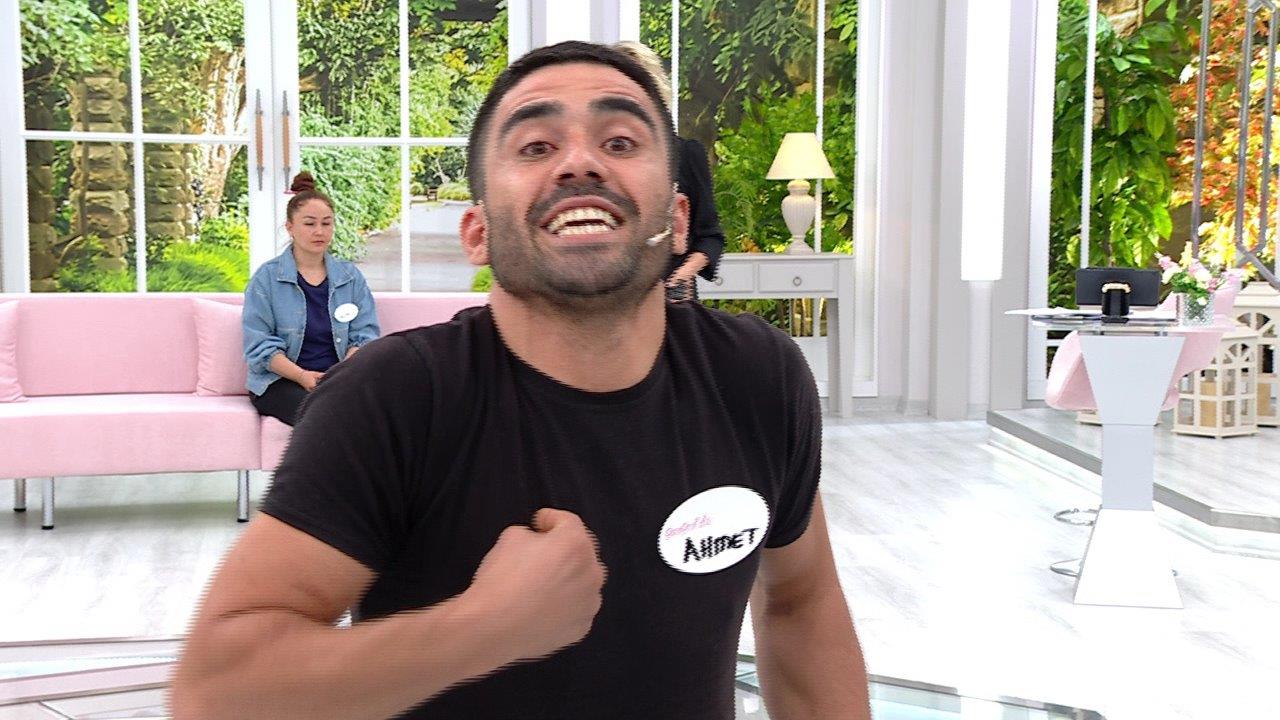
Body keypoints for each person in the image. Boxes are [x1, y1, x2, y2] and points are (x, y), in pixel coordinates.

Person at [174, 42, 869, 720]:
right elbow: (214, 695)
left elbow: (799, 603)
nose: (579, 162)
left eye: (620, 141)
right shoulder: (394, 399)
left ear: (678, 219)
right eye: (536, 146)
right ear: (476, 233)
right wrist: (483, 629)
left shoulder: (758, 376)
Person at [241, 171, 379, 426]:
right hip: (281, 382)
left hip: (340, 379)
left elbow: (365, 336)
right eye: (309, 223)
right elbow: (259, 347)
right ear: (290, 227)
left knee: (382, 410)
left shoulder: (350, 278)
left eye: (326, 223)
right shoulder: (266, 279)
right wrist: (302, 376)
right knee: (329, 412)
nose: (319, 231)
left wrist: (338, 376)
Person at [614, 41, 726, 302]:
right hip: (613, 301)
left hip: (675, 299)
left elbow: (710, 237)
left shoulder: (687, 154)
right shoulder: (594, 162)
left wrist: (681, 276)